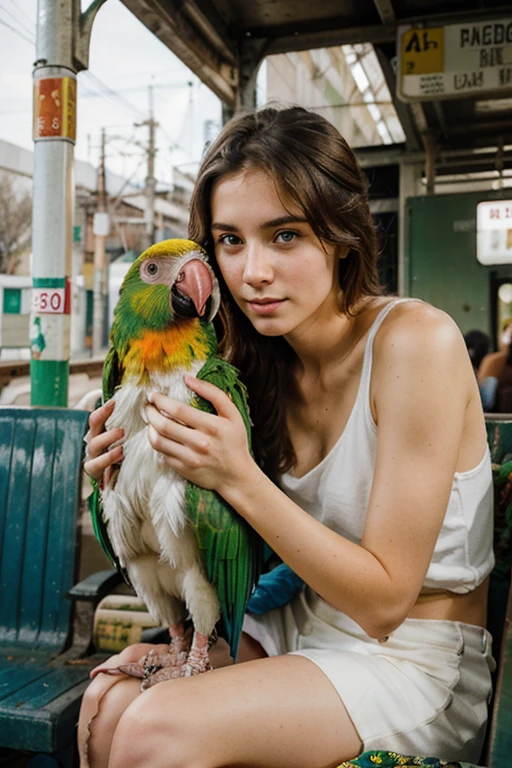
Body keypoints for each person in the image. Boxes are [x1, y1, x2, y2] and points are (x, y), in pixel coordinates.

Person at [79, 106, 495, 768]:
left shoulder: (417, 343)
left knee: (154, 728)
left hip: (412, 658)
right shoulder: (245, 363)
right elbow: (225, 545)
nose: (253, 273)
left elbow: (386, 603)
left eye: (285, 236)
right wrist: (122, 471)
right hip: (296, 623)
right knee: (110, 707)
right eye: (230, 241)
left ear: (342, 234)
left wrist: (236, 475)